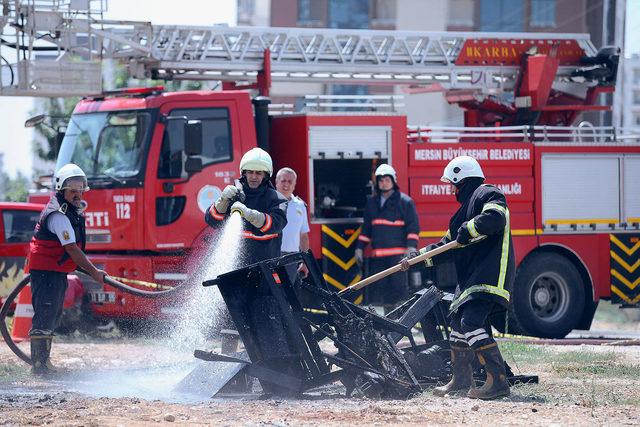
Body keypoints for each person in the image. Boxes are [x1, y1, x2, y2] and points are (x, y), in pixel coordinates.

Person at [401, 155, 515, 400]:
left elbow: (496, 218)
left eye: (452, 184)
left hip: (489, 275)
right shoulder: (461, 214)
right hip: (471, 279)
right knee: (457, 328)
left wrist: (470, 229)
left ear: (461, 179)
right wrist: (417, 258)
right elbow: (446, 246)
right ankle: (461, 381)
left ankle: (499, 382)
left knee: (471, 323)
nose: (450, 189)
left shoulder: (488, 194)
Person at [26, 163, 108, 375]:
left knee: (53, 313)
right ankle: (40, 366)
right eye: (72, 191)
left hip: (55, 270)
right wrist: (94, 272)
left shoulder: (71, 210)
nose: (77, 194)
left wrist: (88, 269)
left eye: (80, 190)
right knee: (45, 314)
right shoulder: (60, 215)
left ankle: (44, 363)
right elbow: (71, 248)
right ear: (62, 191)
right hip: (46, 272)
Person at [205, 147, 288, 265]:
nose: (254, 176)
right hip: (234, 270)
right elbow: (213, 221)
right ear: (244, 173)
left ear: (266, 175)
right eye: (250, 172)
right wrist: (222, 201)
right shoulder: (234, 194)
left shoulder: (277, 199)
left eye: (259, 173)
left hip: (265, 272)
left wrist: (249, 214)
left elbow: (276, 224)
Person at [355, 164, 420, 308]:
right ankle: (383, 329)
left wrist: (410, 248)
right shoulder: (372, 203)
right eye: (381, 180)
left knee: (398, 295)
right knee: (380, 295)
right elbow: (366, 229)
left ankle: (397, 328)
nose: (383, 183)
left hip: (398, 259)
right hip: (378, 259)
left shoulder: (405, 202)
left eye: (387, 180)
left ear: (393, 181)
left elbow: (413, 228)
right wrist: (359, 248)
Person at [275, 167, 310, 276]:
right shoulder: (269, 202)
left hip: (292, 257)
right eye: (283, 181)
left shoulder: (300, 206)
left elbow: (303, 236)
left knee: (288, 292)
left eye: (290, 182)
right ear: (276, 182)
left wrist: (305, 261)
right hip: (272, 256)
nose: (286, 184)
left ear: (294, 184)